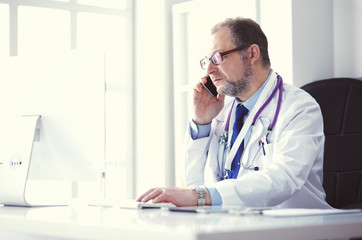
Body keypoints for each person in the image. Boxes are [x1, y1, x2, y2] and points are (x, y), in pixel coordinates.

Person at [137, 17, 331, 209]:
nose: (209, 70)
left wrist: (200, 195)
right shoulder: (220, 109)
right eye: (206, 62)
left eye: (217, 58)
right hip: (232, 225)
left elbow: (284, 179)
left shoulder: (299, 108)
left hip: (295, 228)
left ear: (252, 53)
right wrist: (202, 121)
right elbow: (192, 182)